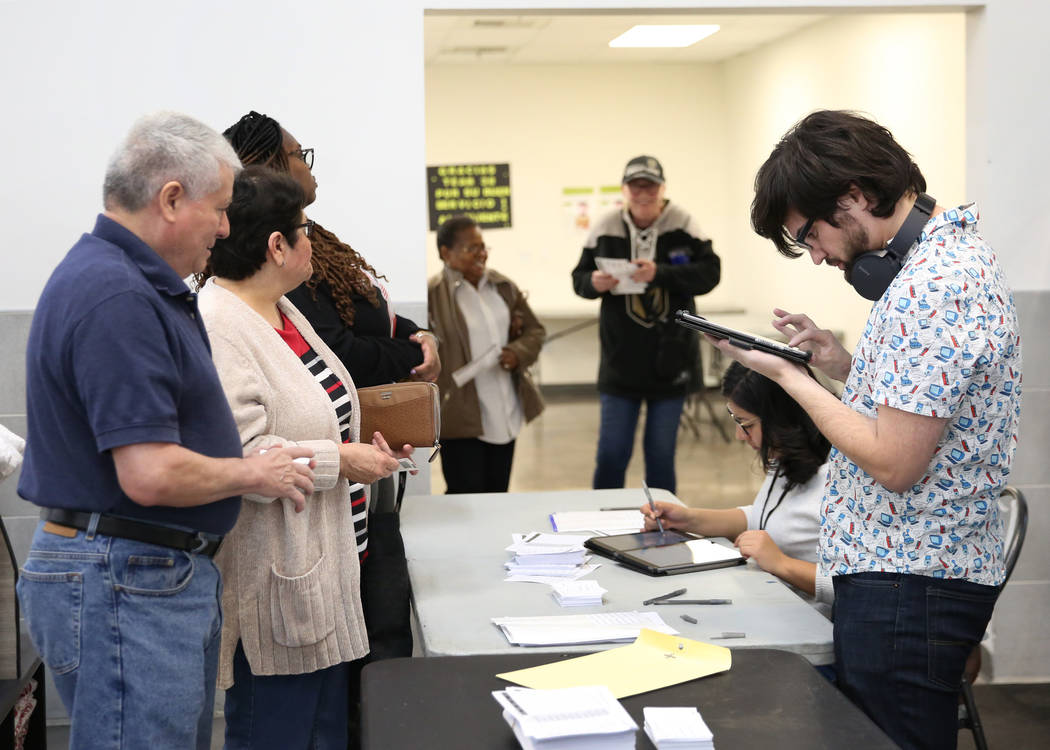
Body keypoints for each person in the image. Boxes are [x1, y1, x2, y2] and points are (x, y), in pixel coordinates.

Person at [720, 109, 1022, 749]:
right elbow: (924, 415)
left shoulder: (934, 285)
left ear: (854, 198)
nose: (818, 256)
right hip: (898, 577)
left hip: (909, 585)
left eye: (809, 236)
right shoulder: (934, 267)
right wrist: (839, 367)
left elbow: (894, 462)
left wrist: (788, 379)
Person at [15, 112, 315, 750]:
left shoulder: (133, 283)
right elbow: (149, 472)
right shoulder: (116, 294)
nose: (229, 228)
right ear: (172, 198)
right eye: (222, 209)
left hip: (145, 572)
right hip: (126, 575)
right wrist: (253, 471)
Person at [196, 166, 407, 748]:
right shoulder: (219, 324)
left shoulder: (283, 310)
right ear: (276, 245)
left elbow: (320, 413)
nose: (314, 241)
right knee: (277, 733)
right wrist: (344, 460)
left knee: (325, 735)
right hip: (277, 582)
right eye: (304, 229)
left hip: (325, 572)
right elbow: (246, 456)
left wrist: (369, 446)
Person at [222, 111, 440, 389]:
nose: (308, 165)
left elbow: (369, 310)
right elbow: (335, 353)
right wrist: (413, 354)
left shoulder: (316, 241)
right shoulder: (276, 258)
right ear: (271, 167)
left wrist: (421, 336)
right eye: (299, 154)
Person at [571, 155, 721, 493]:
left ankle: (664, 526)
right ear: (625, 189)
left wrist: (660, 274)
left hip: (671, 363)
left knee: (660, 456)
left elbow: (710, 274)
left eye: (650, 186)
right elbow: (578, 279)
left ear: (662, 188)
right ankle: (603, 520)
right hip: (620, 364)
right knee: (611, 455)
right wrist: (593, 283)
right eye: (636, 186)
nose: (643, 193)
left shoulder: (684, 224)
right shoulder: (605, 227)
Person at [642, 362, 834, 617]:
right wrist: (688, 519)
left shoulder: (840, 479)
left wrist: (782, 564)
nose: (739, 436)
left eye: (746, 424)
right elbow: (765, 518)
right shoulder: (790, 455)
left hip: (808, 625)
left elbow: (862, 587)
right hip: (771, 605)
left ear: (782, 417)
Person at [428, 216, 545, 493]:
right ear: (446, 253)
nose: (482, 255)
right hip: (459, 413)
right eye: (472, 248)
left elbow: (535, 331)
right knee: (466, 495)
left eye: (483, 247)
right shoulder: (433, 295)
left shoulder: (502, 286)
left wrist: (517, 352)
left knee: (498, 494)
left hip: (505, 409)